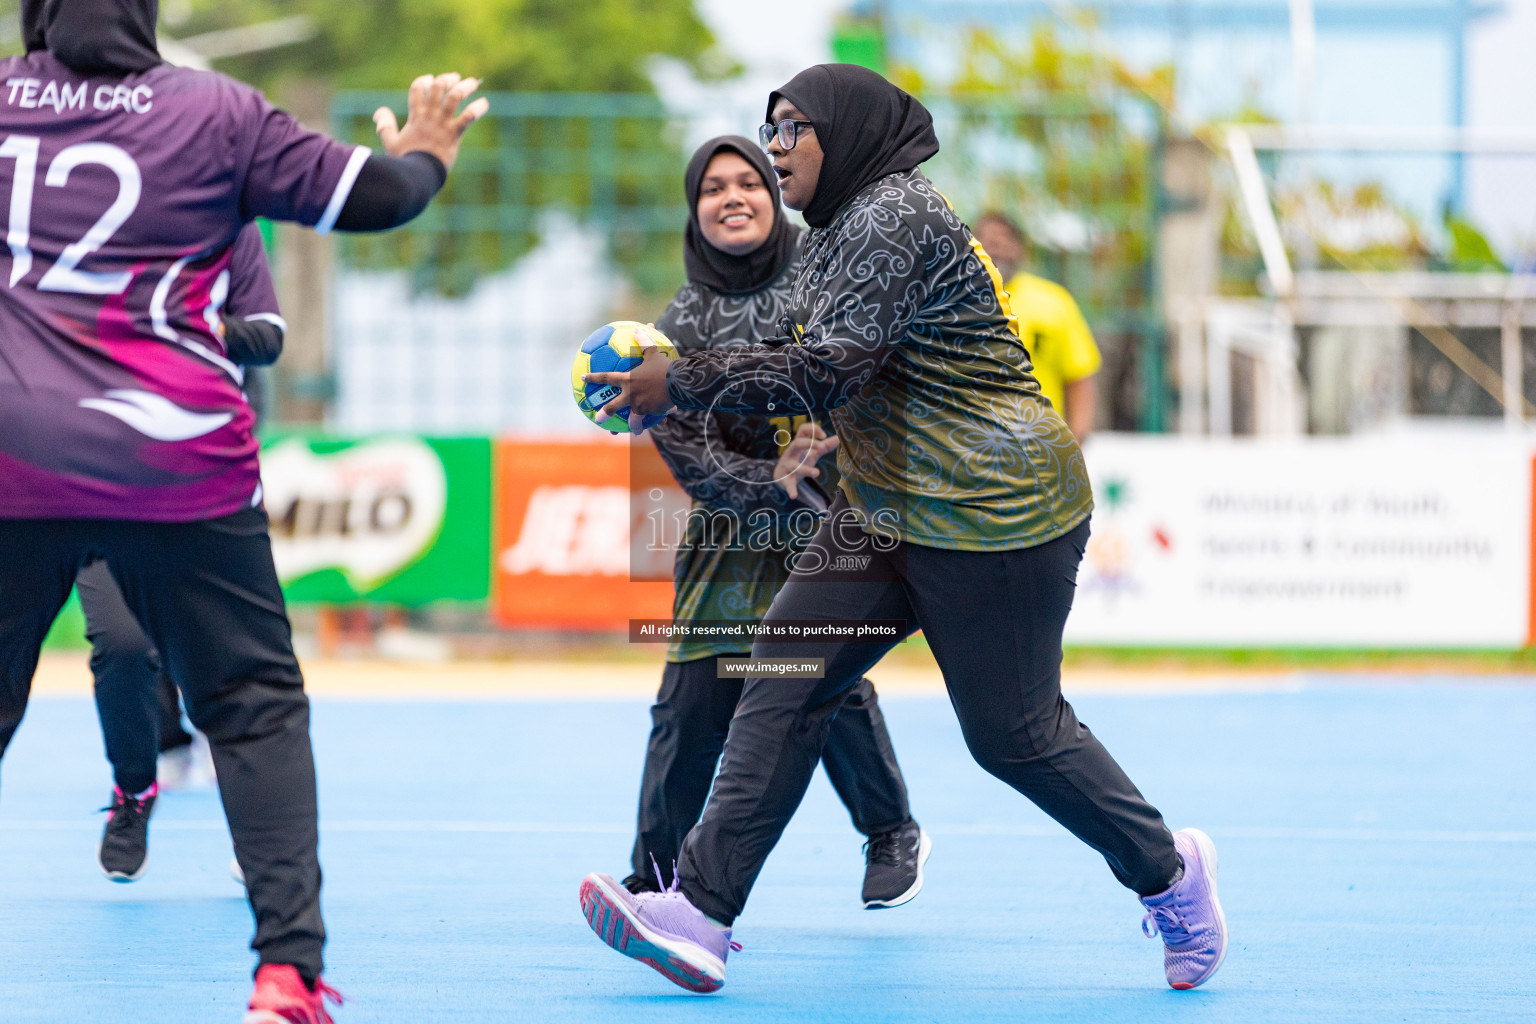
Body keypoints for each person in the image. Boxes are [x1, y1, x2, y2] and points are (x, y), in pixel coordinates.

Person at [577, 64, 1226, 995]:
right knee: (784, 678)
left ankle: (1171, 875)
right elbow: (805, 358)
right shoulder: (834, 229)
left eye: (792, 128)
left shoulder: (894, 216)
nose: (774, 149)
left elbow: (826, 369)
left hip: (995, 512)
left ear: (845, 130)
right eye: (769, 130)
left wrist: (674, 378)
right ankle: (702, 915)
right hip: (885, 507)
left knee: (1015, 737)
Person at [0, 2, 486, 1020]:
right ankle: (285, 973)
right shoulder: (219, 112)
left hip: (14, 455)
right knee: (254, 703)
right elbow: (383, 196)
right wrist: (429, 154)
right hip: (169, 458)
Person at [623, 136, 927, 909]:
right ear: (694, 213)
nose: (732, 197)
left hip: (833, 523)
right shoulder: (679, 324)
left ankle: (892, 832)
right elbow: (692, 458)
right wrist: (772, 480)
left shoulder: (828, 274)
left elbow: (874, 370)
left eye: (749, 182)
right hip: (730, 537)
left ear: (772, 193)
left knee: (828, 686)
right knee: (691, 707)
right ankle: (655, 876)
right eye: (712, 187)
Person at [86, 222, 284, 883]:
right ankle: (134, 791)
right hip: (89, 476)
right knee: (120, 646)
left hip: (199, 480)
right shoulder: (82, 218)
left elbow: (267, 336)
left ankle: (255, 834)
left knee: (226, 663)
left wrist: (194, 327)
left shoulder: (227, 223)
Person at [971, 211, 1102, 441]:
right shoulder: (953, 303)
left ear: (1020, 249)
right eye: (989, 241)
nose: (997, 249)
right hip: (971, 445)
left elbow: (1079, 378)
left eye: (1005, 241)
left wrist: (1077, 442)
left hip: (1039, 446)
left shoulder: (1054, 302)